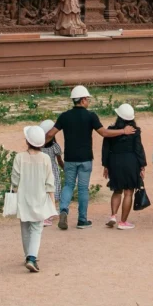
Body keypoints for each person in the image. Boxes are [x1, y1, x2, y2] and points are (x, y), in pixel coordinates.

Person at [45, 85, 135, 230]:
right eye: (87, 99)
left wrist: (37, 144)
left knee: (68, 185)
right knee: (82, 189)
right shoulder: (91, 116)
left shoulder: (64, 116)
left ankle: (63, 210)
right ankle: (82, 220)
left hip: (69, 158)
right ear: (83, 99)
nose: (88, 101)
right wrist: (123, 131)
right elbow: (104, 133)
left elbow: (50, 134)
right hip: (85, 158)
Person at [10, 125, 55, 272]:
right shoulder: (45, 158)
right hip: (39, 197)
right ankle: (32, 257)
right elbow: (50, 182)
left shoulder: (19, 157)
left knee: (25, 228)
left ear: (27, 141)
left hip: (23, 197)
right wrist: (52, 202)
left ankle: (27, 255)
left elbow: (15, 180)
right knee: (36, 228)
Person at [102, 103, 147, 230]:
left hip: (114, 161)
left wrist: (105, 165)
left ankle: (112, 216)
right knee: (128, 192)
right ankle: (123, 222)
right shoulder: (135, 131)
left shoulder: (111, 129)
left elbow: (106, 148)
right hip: (131, 161)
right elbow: (139, 149)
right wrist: (142, 165)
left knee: (117, 190)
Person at [39, 119, 64, 226]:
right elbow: (59, 161)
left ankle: (44, 213)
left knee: (43, 193)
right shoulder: (55, 147)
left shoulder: (39, 147)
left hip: (41, 171)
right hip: (53, 171)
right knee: (53, 193)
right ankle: (49, 215)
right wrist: (66, 170)